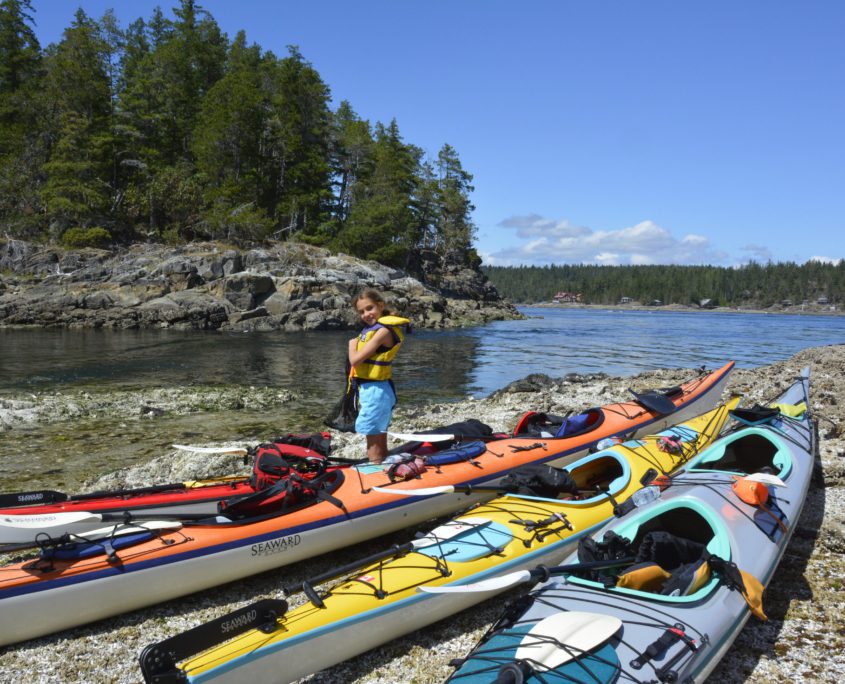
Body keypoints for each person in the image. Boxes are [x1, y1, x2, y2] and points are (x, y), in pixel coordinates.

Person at [347, 289, 410, 463]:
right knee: (379, 435)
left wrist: (352, 345)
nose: (366, 314)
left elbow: (355, 360)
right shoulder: (375, 329)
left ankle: (376, 470)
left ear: (380, 305)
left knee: (373, 438)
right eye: (361, 312)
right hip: (378, 389)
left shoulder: (383, 331)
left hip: (376, 392)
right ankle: (384, 463)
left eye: (370, 308)